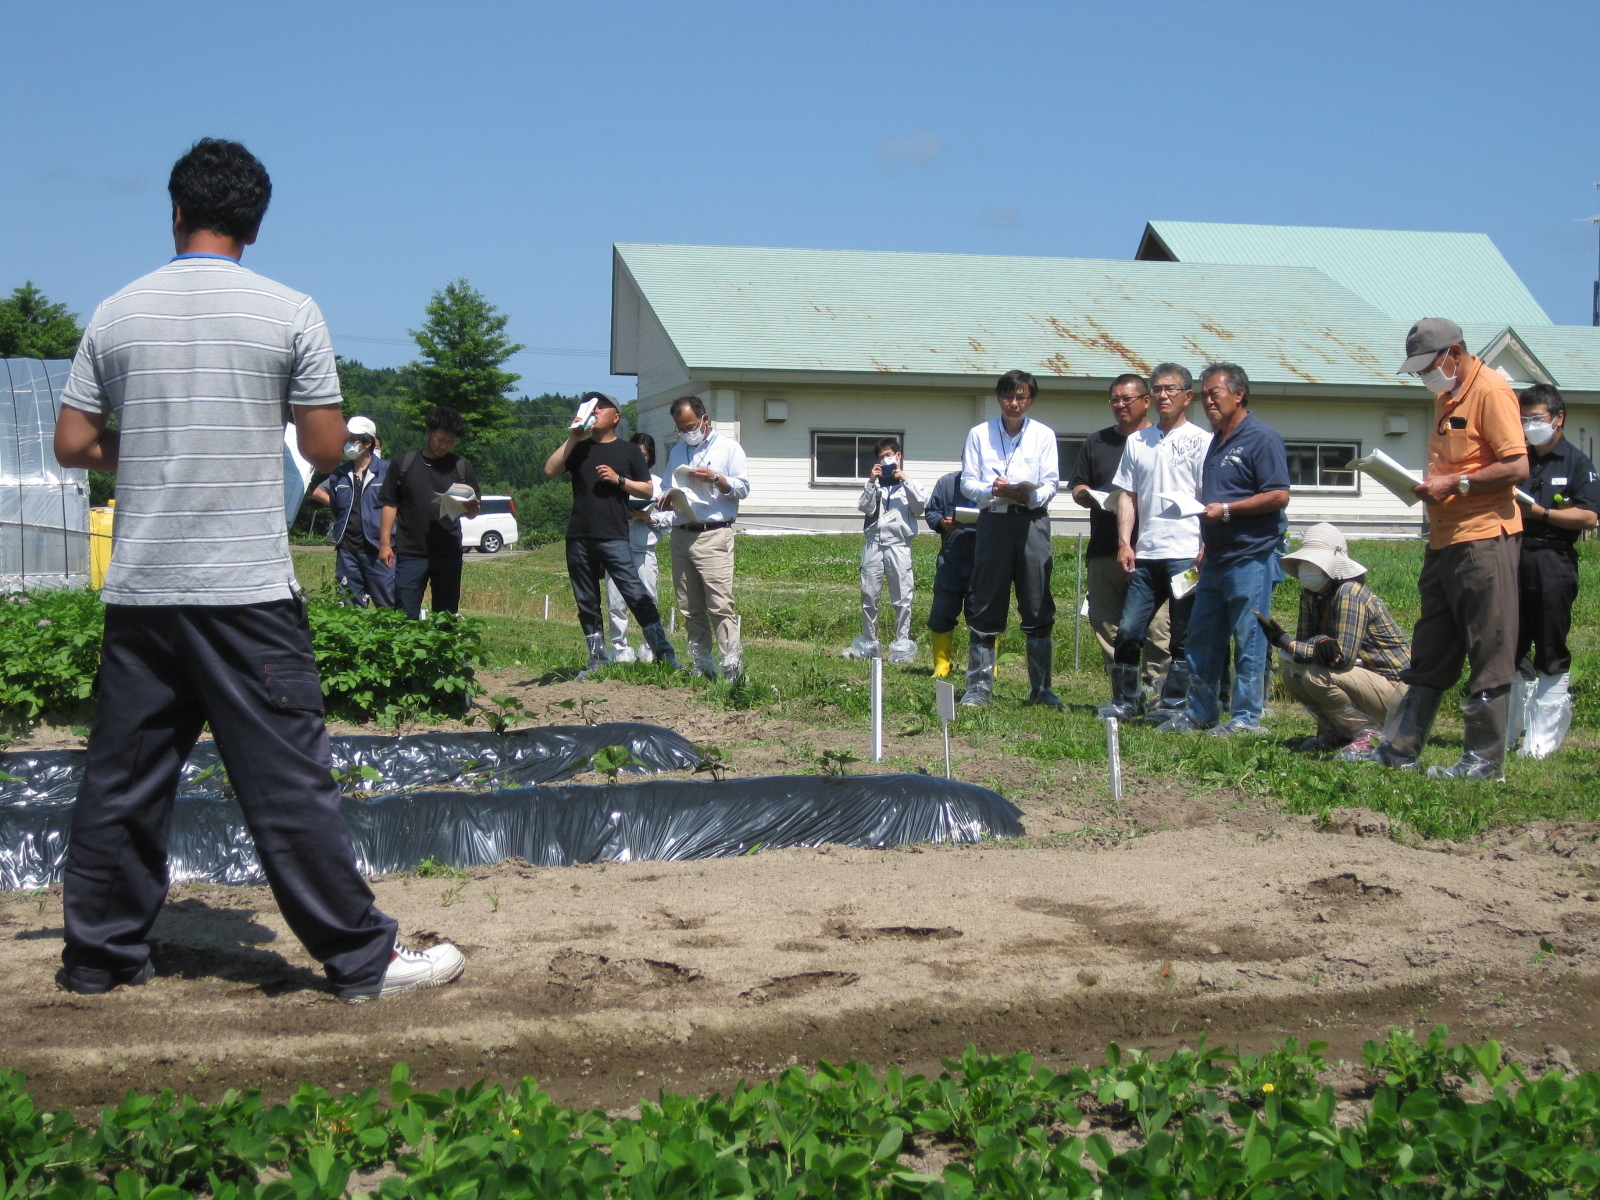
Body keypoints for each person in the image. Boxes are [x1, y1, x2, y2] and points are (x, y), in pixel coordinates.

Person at [50, 137, 461, 1001]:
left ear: (175, 212)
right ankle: (358, 960)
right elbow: (322, 444)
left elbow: (74, 444)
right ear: (255, 224)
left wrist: (153, 441)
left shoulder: (116, 313)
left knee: (121, 784)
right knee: (285, 784)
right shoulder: (290, 312)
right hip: (244, 589)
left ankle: (99, 958)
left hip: (143, 591)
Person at [1357, 319, 1528, 780]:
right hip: (1443, 540)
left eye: (1427, 365)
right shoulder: (1443, 396)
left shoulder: (1491, 390)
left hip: (1485, 538)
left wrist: (1457, 482)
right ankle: (1398, 749)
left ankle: (1483, 762)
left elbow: (1517, 465)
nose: (1424, 376)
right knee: (1430, 650)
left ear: (1455, 352)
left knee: (1489, 652)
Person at [1161, 363, 1291, 737]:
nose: (1207, 402)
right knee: (1202, 636)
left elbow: (1279, 494)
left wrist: (1229, 510)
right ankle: (1200, 712)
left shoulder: (1261, 438)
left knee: (1248, 636)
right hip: (1216, 556)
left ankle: (1247, 717)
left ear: (1239, 394)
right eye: (1203, 395)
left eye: (1213, 393)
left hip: (1252, 555)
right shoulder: (1217, 440)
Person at [1101, 364, 1210, 723]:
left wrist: (1204, 545)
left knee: (1183, 633)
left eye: (1171, 389)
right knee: (1130, 629)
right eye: (1158, 389)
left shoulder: (1201, 441)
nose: (1164, 395)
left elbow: (1207, 496)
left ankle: (1175, 704)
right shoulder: (1137, 441)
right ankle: (1126, 700)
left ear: (1187, 396)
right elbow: (1128, 496)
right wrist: (1124, 543)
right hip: (1146, 554)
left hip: (1185, 554)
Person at [545, 393, 679, 676]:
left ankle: (663, 653)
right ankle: (597, 658)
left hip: (614, 535)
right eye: (589, 408)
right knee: (586, 600)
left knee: (635, 593)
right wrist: (573, 436)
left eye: (600, 408)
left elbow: (647, 489)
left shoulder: (628, 451)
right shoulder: (579, 449)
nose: (594, 412)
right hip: (579, 535)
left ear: (615, 417)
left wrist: (619, 480)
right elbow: (550, 469)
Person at [1256, 524, 1409, 755]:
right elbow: (1308, 643)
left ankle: (1369, 733)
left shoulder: (1350, 593)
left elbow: (1342, 658)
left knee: (1317, 676)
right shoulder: (1311, 595)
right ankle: (1340, 729)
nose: (1305, 568)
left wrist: (1289, 643)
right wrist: (1313, 641)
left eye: (1313, 563)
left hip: (1397, 690)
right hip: (1367, 682)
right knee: (1293, 672)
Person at [959, 369, 1061, 708]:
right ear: (998, 397)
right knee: (986, 600)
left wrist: (1025, 495)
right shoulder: (979, 433)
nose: (1014, 403)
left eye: (1021, 397)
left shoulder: (1044, 435)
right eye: (1008, 396)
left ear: (1030, 399)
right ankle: (979, 687)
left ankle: (1042, 689)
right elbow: (967, 483)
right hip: (994, 521)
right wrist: (994, 490)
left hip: (1031, 522)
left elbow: (1050, 483)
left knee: (1037, 601)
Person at [1508, 383, 1598, 758]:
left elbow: (1589, 515)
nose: (1529, 425)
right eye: (1523, 419)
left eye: (1536, 419)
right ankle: (1512, 728)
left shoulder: (1576, 462)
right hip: (1514, 555)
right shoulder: (1518, 459)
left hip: (1554, 559)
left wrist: (1542, 514)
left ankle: (1542, 740)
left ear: (1558, 418)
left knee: (1550, 643)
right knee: (1511, 645)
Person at [1070, 373, 1170, 711]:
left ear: (1146, 401)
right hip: (1104, 547)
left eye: (1128, 399)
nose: (1120, 405)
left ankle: (1160, 692)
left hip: (1153, 550)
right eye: (1115, 399)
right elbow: (1078, 485)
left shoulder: (1161, 440)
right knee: (1105, 621)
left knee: (1158, 625)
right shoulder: (1097, 442)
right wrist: (1086, 496)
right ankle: (1125, 693)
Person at [658, 395, 751, 679]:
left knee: (720, 603)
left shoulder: (728, 448)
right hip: (681, 532)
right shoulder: (676, 451)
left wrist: (716, 478)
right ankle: (702, 663)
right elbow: (665, 485)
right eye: (680, 428)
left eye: (690, 426)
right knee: (689, 605)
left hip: (713, 534)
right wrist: (665, 499)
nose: (687, 433)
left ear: (704, 419)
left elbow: (743, 488)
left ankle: (731, 662)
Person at [377, 406, 481, 619]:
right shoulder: (404, 463)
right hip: (410, 552)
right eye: (440, 439)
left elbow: (473, 511)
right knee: (405, 614)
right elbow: (390, 503)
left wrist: (472, 508)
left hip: (449, 552)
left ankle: (442, 652)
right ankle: (407, 652)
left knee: (446, 616)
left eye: (450, 442)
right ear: (428, 432)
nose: (444, 446)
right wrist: (385, 543)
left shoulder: (461, 467)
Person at [844, 437, 926, 663]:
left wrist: (904, 480)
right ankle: (869, 644)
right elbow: (864, 507)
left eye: (888, 455)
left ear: (898, 456)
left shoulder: (912, 483)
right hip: (873, 544)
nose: (885, 460)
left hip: (899, 545)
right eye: (881, 457)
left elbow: (919, 507)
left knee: (902, 597)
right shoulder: (874, 483)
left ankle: (901, 645)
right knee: (869, 595)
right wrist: (871, 482)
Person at [310, 416, 394, 608]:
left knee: (388, 605)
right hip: (347, 550)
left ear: (367, 442)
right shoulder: (338, 475)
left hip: (378, 550)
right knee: (350, 606)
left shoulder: (388, 471)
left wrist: (388, 543)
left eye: (352, 439)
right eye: (346, 438)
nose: (347, 444)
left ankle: (389, 639)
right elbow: (335, 505)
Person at [605, 432, 670, 663]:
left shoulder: (659, 483)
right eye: (636, 454)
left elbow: (670, 516)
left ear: (651, 456)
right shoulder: (617, 481)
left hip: (645, 548)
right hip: (617, 546)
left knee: (648, 599)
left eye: (644, 455)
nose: (640, 459)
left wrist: (648, 517)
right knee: (615, 600)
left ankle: (649, 647)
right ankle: (620, 649)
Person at [923, 469, 977, 678]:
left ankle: (986, 665)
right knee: (942, 611)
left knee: (983, 615)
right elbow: (932, 512)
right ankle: (942, 664)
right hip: (950, 558)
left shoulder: (993, 484)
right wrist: (942, 523)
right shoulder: (946, 483)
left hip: (983, 559)